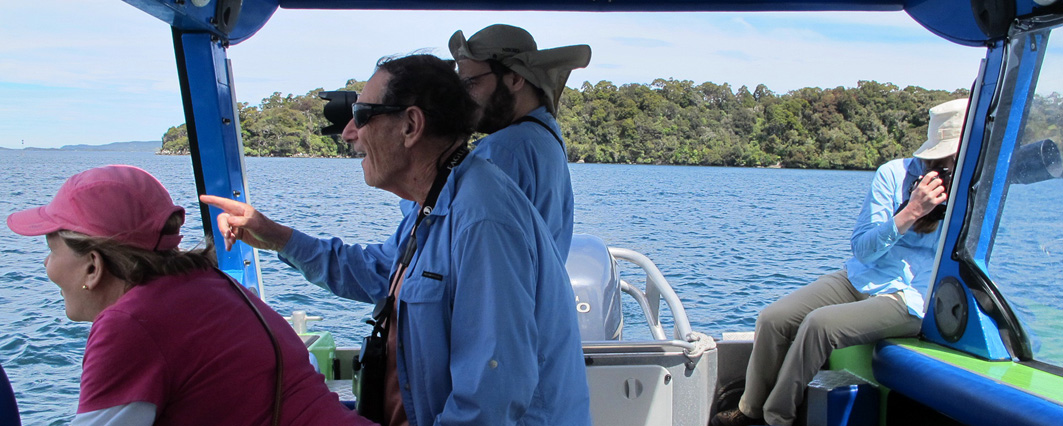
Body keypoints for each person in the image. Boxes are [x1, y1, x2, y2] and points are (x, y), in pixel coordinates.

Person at [200, 54, 592, 426]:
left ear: (410, 126)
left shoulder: (482, 220)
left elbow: (492, 394)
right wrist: (278, 237)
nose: (350, 133)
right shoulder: (437, 201)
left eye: (362, 116)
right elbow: (376, 273)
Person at [5, 165, 373, 426]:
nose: (46, 265)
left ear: (93, 266)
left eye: (52, 250)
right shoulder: (209, 282)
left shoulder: (131, 323)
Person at [711, 98, 969, 426]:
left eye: (952, 160)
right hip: (864, 274)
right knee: (772, 319)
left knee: (819, 325)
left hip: (911, 296)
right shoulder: (894, 174)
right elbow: (863, 248)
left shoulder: (970, 191)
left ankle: (777, 417)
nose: (946, 168)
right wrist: (909, 213)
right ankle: (749, 411)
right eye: (942, 160)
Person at [449, 24, 591, 260]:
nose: (463, 97)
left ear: (515, 78)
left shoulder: (504, 149)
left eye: (470, 84)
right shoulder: (545, 135)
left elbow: (453, 247)